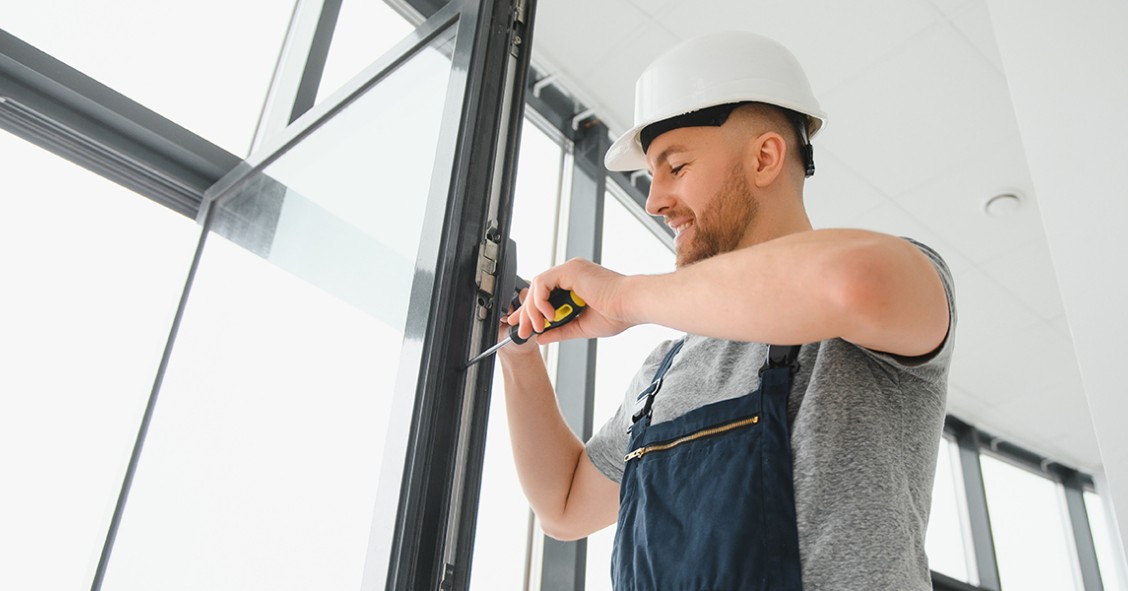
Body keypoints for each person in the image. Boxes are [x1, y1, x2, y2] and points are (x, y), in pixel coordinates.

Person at [498, 31, 955, 590]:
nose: (653, 199)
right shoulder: (664, 372)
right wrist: (520, 354)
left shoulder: (888, 291)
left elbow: (852, 284)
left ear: (764, 157)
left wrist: (624, 297)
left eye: (676, 166)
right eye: (650, 175)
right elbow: (564, 506)